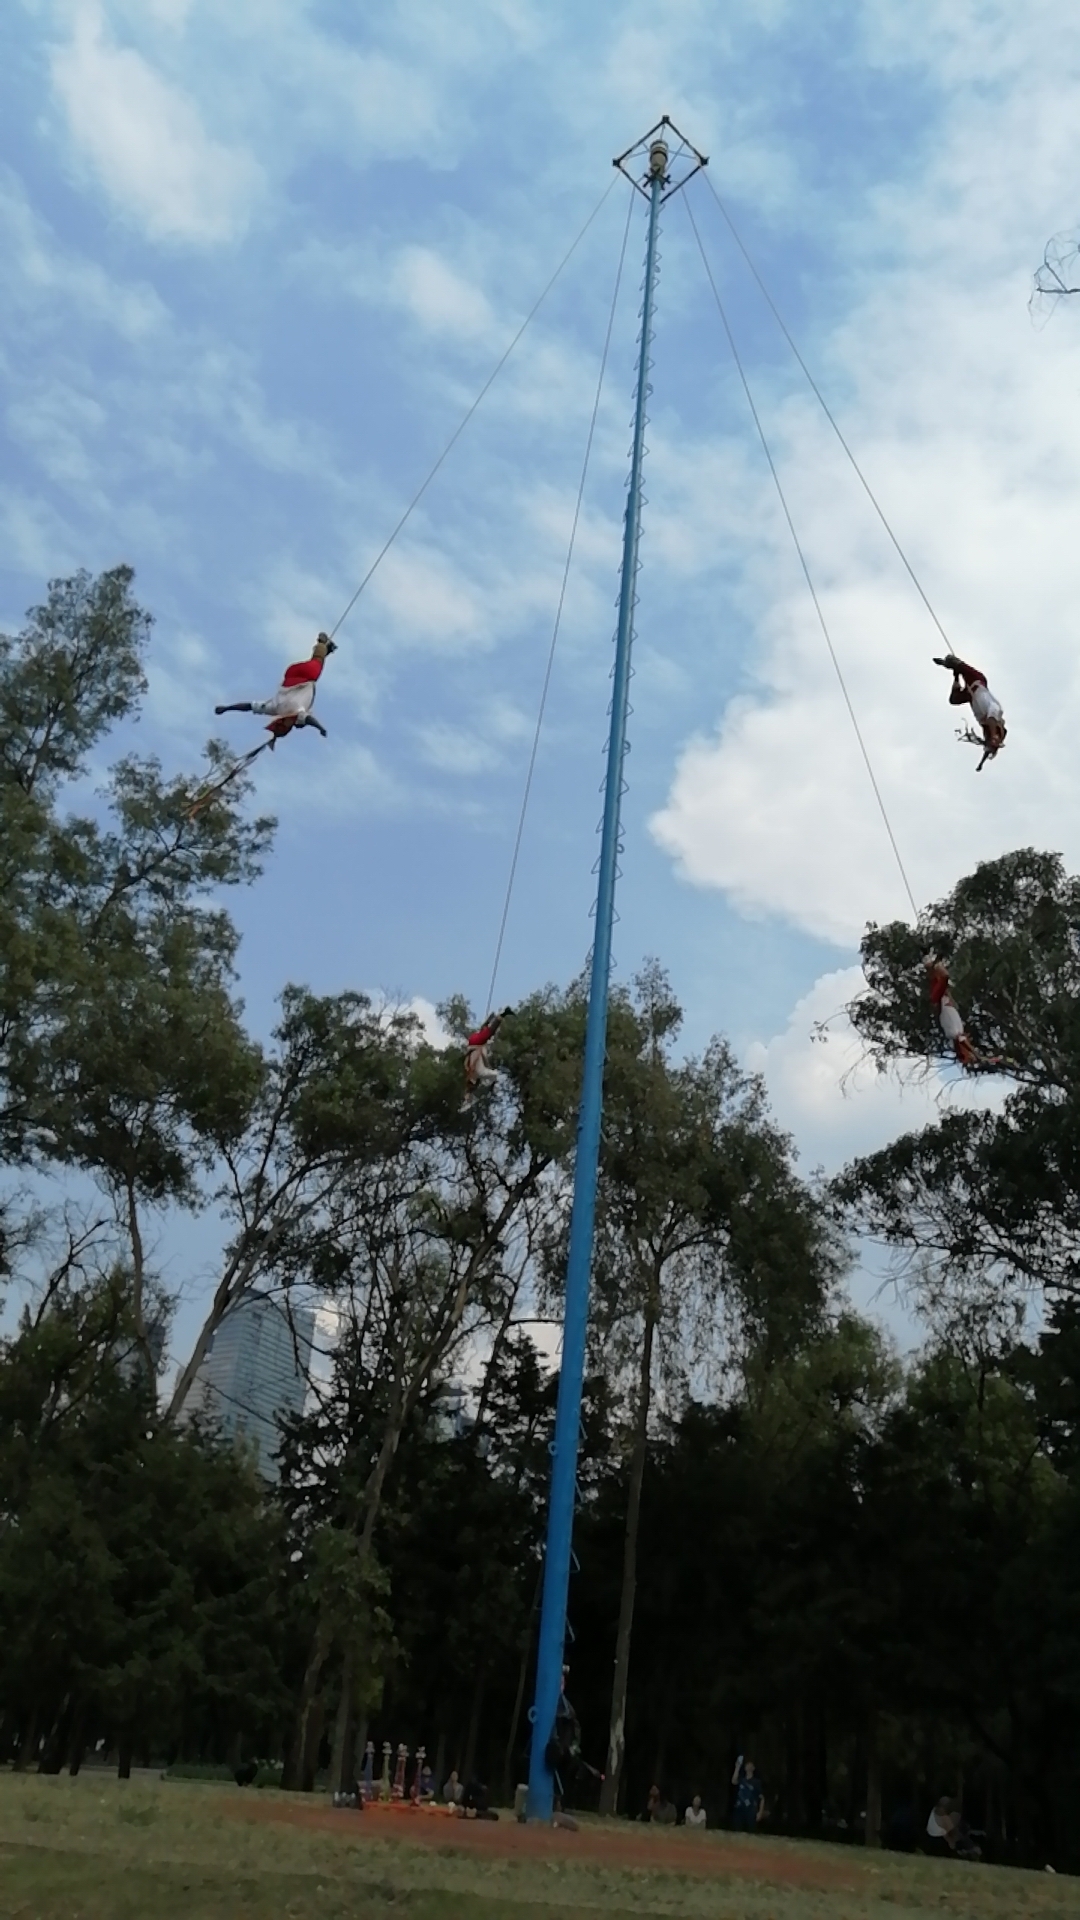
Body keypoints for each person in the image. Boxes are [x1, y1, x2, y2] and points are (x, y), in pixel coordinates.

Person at [215, 633, 337, 742]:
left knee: (317, 663)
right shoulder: (274, 708)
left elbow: (310, 720)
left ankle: (322, 644)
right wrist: (226, 708)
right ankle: (326, 649)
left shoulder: (297, 712)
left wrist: (320, 728)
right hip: (290, 673)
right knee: (315, 662)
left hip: (305, 676)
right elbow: (248, 706)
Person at [933, 654, 1006, 771]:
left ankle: (955, 674)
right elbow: (993, 723)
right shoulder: (995, 711)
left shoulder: (985, 724)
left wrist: (981, 764)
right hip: (977, 682)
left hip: (970, 694)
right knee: (958, 665)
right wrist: (994, 737)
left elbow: (987, 751)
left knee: (954, 699)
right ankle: (954, 665)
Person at [463, 1008, 513, 1098]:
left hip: (476, 1043)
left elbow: (494, 1074)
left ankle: (505, 1013)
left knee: (491, 1031)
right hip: (472, 1042)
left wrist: (493, 1082)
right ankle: (489, 1020)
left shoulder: (479, 1073)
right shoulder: (469, 1069)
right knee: (486, 1032)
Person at [731, 1756, 764, 1833]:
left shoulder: (756, 1782)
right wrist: (737, 1767)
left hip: (751, 1810)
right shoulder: (742, 1780)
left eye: (750, 1765)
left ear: (753, 1768)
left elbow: (762, 1798)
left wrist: (760, 1812)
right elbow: (733, 1781)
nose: (748, 1767)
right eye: (747, 1765)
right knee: (737, 1831)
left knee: (751, 1832)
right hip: (739, 1808)